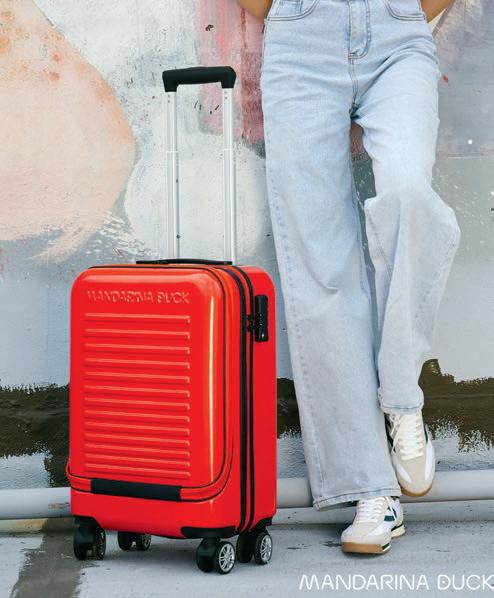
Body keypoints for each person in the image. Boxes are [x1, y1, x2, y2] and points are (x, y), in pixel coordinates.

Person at [236, 0, 461, 554]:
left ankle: (401, 398)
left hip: (397, 35)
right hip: (300, 40)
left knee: (409, 197)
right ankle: (370, 489)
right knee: (322, 263)